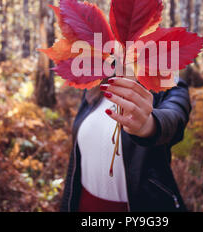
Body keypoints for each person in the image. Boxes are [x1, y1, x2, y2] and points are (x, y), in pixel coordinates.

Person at [60, 76, 191, 212]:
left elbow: (175, 117)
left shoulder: (166, 81)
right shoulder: (95, 85)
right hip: (84, 204)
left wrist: (149, 125)